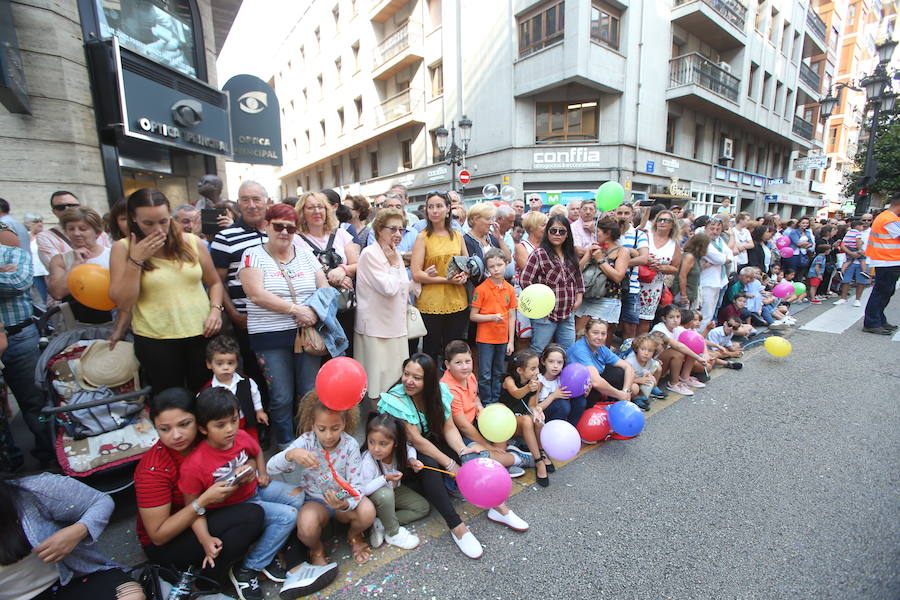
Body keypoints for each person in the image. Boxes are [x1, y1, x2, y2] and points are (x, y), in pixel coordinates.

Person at [378, 354, 527, 559]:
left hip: (428, 443)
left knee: (468, 456)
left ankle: (498, 507)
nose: (409, 381)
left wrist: (461, 452)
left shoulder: (439, 392)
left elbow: (449, 429)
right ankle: (457, 526)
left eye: (417, 377)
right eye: (406, 374)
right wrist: (450, 464)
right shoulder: (397, 399)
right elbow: (417, 441)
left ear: (429, 380)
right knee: (432, 462)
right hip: (405, 455)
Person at [179, 388, 305, 600]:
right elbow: (194, 508)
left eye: (234, 420)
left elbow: (256, 452)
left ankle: (267, 549)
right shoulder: (194, 465)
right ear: (203, 428)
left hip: (254, 490)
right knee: (288, 515)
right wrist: (205, 539)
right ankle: (248, 568)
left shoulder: (241, 436)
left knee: (298, 495)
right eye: (220, 425)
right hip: (237, 509)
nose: (230, 429)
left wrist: (260, 473)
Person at [135, 388, 265, 591]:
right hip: (171, 541)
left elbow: (246, 455)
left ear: (199, 421)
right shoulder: (153, 469)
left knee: (267, 509)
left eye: (184, 424)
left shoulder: (207, 438)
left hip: (209, 511)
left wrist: (250, 468)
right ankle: (208, 580)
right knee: (252, 515)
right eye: (165, 429)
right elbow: (158, 536)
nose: (176, 435)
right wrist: (202, 501)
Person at [109, 188, 224, 394]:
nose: (157, 229)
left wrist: (215, 310)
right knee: (170, 401)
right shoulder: (122, 248)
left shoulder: (191, 242)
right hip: (156, 339)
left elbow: (214, 282)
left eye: (163, 221)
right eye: (148, 223)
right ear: (134, 219)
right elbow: (123, 302)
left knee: (206, 398)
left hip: (201, 333)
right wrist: (136, 260)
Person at [238, 203, 329, 449]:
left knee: (309, 392)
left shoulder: (306, 254)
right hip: (269, 337)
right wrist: (295, 309)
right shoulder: (252, 254)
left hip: (307, 333)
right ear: (267, 226)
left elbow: (325, 289)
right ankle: (287, 446)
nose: (285, 232)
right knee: (281, 396)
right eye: (279, 226)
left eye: (291, 228)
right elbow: (256, 294)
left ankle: (309, 441)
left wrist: (312, 311)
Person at [266, 393, 376, 566]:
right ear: (312, 425)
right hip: (316, 501)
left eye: (335, 428)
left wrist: (345, 504)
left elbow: (358, 486)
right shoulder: (306, 442)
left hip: (343, 500)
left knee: (367, 511)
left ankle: (354, 534)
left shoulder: (350, 445)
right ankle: (316, 548)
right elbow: (270, 468)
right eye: (322, 428)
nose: (328, 436)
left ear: (345, 424)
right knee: (306, 526)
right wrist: (290, 454)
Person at [0, 472, 145, 600]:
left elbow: (99, 501)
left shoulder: (31, 490)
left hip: (74, 579)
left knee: (132, 596)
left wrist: (78, 530)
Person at [0, 223, 54, 467]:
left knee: (34, 400)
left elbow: (18, 282)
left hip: (19, 336)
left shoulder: (12, 252)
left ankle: (49, 453)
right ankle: (9, 460)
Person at [443, 340, 532, 479]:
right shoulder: (447, 388)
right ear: (447, 364)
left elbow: (475, 396)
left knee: (500, 414)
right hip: (460, 433)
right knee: (476, 456)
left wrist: (479, 407)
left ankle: (502, 459)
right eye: (458, 363)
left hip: (476, 421)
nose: (465, 366)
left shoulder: (470, 376)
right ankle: (516, 459)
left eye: (468, 361)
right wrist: (487, 446)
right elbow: (463, 426)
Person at [354, 207, 411, 404]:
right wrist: (396, 265)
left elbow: (403, 286)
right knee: (376, 381)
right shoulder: (370, 254)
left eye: (401, 230)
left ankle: (393, 421)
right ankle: (377, 422)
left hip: (396, 323)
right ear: (379, 229)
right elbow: (389, 288)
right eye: (392, 229)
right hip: (376, 327)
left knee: (395, 377)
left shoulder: (394, 253)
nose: (397, 234)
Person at [47, 207, 130, 336]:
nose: (76, 233)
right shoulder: (60, 260)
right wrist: (75, 266)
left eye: (83, 228)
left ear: (97, 232)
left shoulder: (114, 255)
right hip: (76, 327)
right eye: (71, 229)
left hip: (114, 324)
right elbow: (57, 293)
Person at [411, 191, 469, 362]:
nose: (434, 211)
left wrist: (465, 274)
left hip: (457, 300)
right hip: (431, 302)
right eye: (431, 207)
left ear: (448, 208)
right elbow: (416, 273)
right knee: (431, 349)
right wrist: (446, 280)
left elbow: (467, 263)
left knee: (454, 350)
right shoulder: (422, 237)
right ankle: (432, 386)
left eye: (439, 206)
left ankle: (453, 387)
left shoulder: (457, 235)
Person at [360, 413, 429, 551]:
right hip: (376, 497)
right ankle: (393, 532)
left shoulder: (399, 451)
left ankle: (381, 524)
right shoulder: (368, 461)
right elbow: (365, 489)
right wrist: (385, 478)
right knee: (385, 494)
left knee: (422, 508)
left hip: (394, 490)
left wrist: (412, 460)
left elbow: (410, 449)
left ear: (396, 443)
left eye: (383, 444)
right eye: (371, 441)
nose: (376, 448)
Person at [519, 215, 584, 352]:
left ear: (567, 235)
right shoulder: (539, 254)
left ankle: (564, 374)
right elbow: (525, 280)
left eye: (562, 231)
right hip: (545, 315)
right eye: (553, 230)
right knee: (538, 350)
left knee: (567, 351)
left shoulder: (571, 253)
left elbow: (578, 279)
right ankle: (535, 374)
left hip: (567, 312)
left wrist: (579, 299)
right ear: (547, 232)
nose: (557, 234)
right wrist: (539, 304)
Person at [499, 349, 553, 486]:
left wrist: (537, 411)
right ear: (520, 370)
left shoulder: (536, 383)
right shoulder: (509, 380)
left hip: (522, 420)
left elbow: (532, 405)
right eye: (533, 369)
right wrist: (529, 388)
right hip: (507, 422)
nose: (537, 372)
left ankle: (540, 451)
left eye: (538, 368)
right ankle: (538, 461)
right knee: (527, 420)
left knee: (538, 420)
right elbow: (516, 394)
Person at [470, 249, 517, 405]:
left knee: (498, 371)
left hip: (502, 338)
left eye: (499, 265)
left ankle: (495, 400)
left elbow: (512, 316)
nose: (496, 269)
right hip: (485, 339)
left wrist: (511, 341)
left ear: (506, 264)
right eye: (491, 266)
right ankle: (486, 401)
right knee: (485, 373)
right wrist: (491, 317)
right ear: (487, 269)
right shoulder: (481, 289)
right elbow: (473, 316)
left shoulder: (509, 289)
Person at [201, 335, 268, 443]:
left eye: (230, 363)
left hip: (246, 422)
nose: (226, 367)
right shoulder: (207, 391)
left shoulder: (246, 382)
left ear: (237, 363)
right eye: (220, 363)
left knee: (251, 446)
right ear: (209, 364)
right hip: (223, 428)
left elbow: (255, 395)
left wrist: (259, 411)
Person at [575, 218, 629, 334]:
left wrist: (600, 260)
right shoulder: (594, 248)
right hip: (587, 298)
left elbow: (618, 276)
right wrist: (588, 255)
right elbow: (576, 272)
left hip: (607, 301)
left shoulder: (622, 251)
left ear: (608, 233)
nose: (595, 235)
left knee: (600, 339)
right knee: (578, 335)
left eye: (597, 232)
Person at [567, 319, 634, 406]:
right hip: (576, 391)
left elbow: (628, 367)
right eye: (595, 333)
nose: (599, 337)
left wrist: (626, 391)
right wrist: (619, 394)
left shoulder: (600, 347)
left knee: (620, 373)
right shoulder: (580, 350)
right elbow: (596, 382)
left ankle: (612, 403)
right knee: (595, 386)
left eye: (603, 334)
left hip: (593, 385)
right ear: (586, 333)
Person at [36, 191, 111, 268]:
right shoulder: (45, 237)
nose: (67, 209)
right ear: (54, 212)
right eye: (60, 207)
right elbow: (55, 268)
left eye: (72, 205)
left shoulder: (100, 232)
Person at [862, 193, 900, 335]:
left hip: (889, 261)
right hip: (887, 261)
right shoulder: (888, 219)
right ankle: (872, 322)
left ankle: (879, 319)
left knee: (886, 292)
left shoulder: (888, 217)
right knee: (881, 292)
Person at [638, 210, 681, 334]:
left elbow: (675, 268)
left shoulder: (674, 244)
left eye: (667, 220)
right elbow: (633, 253)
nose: (662, 222)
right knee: (629, 319)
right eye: (660, 219)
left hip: (654, 287)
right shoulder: (645, 236)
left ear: (673, 224)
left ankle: (641, 346)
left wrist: (660, 267)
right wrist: (646, 260)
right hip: (637, 282)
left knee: (645, 320)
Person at [651, 305, 708, 396]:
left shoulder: (677, 329)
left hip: (663, 364)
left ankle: (685, 377)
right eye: (671, 317)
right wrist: (698, 358)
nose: (675, 320)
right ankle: (673, 383)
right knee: (678, 353)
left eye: (678, 317)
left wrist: (706, 353)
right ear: (664, 319)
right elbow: (678, 346)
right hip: (653, 365)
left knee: (691, 345)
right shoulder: (659, 328)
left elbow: (699, 338)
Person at [614, 203, 650, 341]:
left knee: (630, 326)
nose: (622, 216)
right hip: (610, 286)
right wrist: (630, 254)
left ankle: (626, 357)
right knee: (609, 324)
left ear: (632, 216)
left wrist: (621, 263)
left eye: (626, 213)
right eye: (620, 213)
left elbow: (644, 258)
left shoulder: (638, 235)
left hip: (631, 286)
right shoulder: (611, 232)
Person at [698, 217, 732, 330]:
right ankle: (699, 337)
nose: (715, 231)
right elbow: (719, 259)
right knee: (704, 314)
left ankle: (704, 337)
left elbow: (730, 255)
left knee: (711, 313)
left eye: (718, 229)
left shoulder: (719, 240)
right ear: (705, 228)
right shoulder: (703, 240)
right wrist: (723, 258)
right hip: (706, 282)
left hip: (718, 281)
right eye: (712, 228)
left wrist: (724, 258)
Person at [535, 344, 578, 425]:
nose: (555, 366)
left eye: (559, 362)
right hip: (543, 416)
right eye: (551, 361)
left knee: (580, 400)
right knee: (562, 405)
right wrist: (553, 396)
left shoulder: (563, 379)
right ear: (543, 361)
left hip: (561, 414)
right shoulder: (539, 380)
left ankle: (572, 427)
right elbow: (535, 408)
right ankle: (552, 430)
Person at [623, 335, 663, 410]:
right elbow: (623, 379)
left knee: (658, 367)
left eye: (650, 351)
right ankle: (635, 398)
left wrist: (650, 376)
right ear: (637, 349)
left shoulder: (649, 360)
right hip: (628, 381)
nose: (646, 353)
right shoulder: (630, 362)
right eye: (643, 349)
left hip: (639, 377)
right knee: (635, 388)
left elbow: (646, 369)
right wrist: (638, 380)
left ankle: (651, 389)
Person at [834, 220, 869, 307]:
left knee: (861, 281)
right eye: (864, 220)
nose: (866, 222)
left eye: (869, 220)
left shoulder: (871, 232)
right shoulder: (856, 233)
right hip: (852, 255)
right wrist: (852, 253)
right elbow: (843, 244)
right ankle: (843, 297)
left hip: (865, 258)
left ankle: (858, 299)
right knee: (846, 280)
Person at [674, 233, 709, 310]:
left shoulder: (696, 258)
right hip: (683, 296)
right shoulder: (689, 257)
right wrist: (683, 295)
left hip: (690, 295)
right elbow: (682, 276)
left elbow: (692, 272)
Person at [514, 211, 546, 277]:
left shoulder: (547, 245)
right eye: (543, 225)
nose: (546, 228)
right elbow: (529, 271)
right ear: (531, 228)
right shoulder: (521, 247)